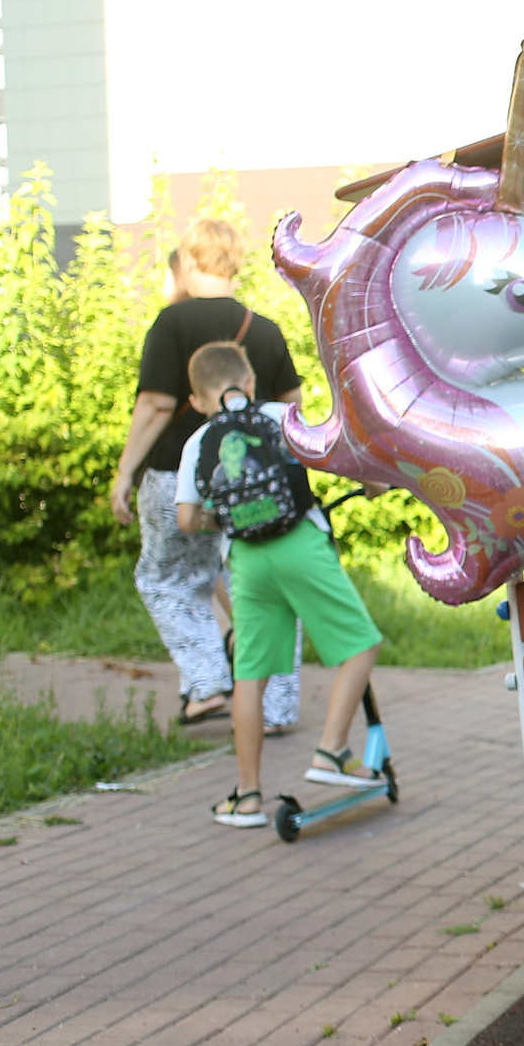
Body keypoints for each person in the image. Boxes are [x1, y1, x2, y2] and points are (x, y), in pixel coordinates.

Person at [172, 344, 386, 828]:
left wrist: (232, 515)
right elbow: (335, 450)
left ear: (198, 399)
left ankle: (247, 797)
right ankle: (332, 750)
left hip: (245, 560)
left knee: (252, 674)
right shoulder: (279, 415)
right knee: (360, 644)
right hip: (299, 544)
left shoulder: (198, 441)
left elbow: (187, 518)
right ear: (249, 382)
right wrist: (372, 483)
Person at [111, 222, 305, 734]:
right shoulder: (263, 329)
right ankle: (277, 708)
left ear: (191, 262)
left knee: (170, 581)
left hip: (179, 476)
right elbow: (292, 410)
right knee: (261, 586)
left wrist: (125, 471)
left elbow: (155, 403)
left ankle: (206, 684)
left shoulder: (171, 323)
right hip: (256, 485)